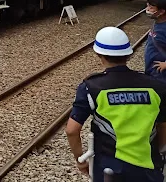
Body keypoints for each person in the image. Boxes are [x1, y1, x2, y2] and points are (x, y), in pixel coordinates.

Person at [65, 26, 166, 181]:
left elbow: (72, 130)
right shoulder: (155, 87)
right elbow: (162, 125)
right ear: (128, 55)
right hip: (148, 168)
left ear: (99, 54)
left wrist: (80, 160)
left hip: (109, 169)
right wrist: (160, 151)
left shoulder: (91, 87)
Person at [145, 0, 166, 80]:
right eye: (147, 6)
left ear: (161, 12)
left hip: (161, 74)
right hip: (152, 70)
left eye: (151, 7)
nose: (147, 9)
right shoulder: (156, 23)